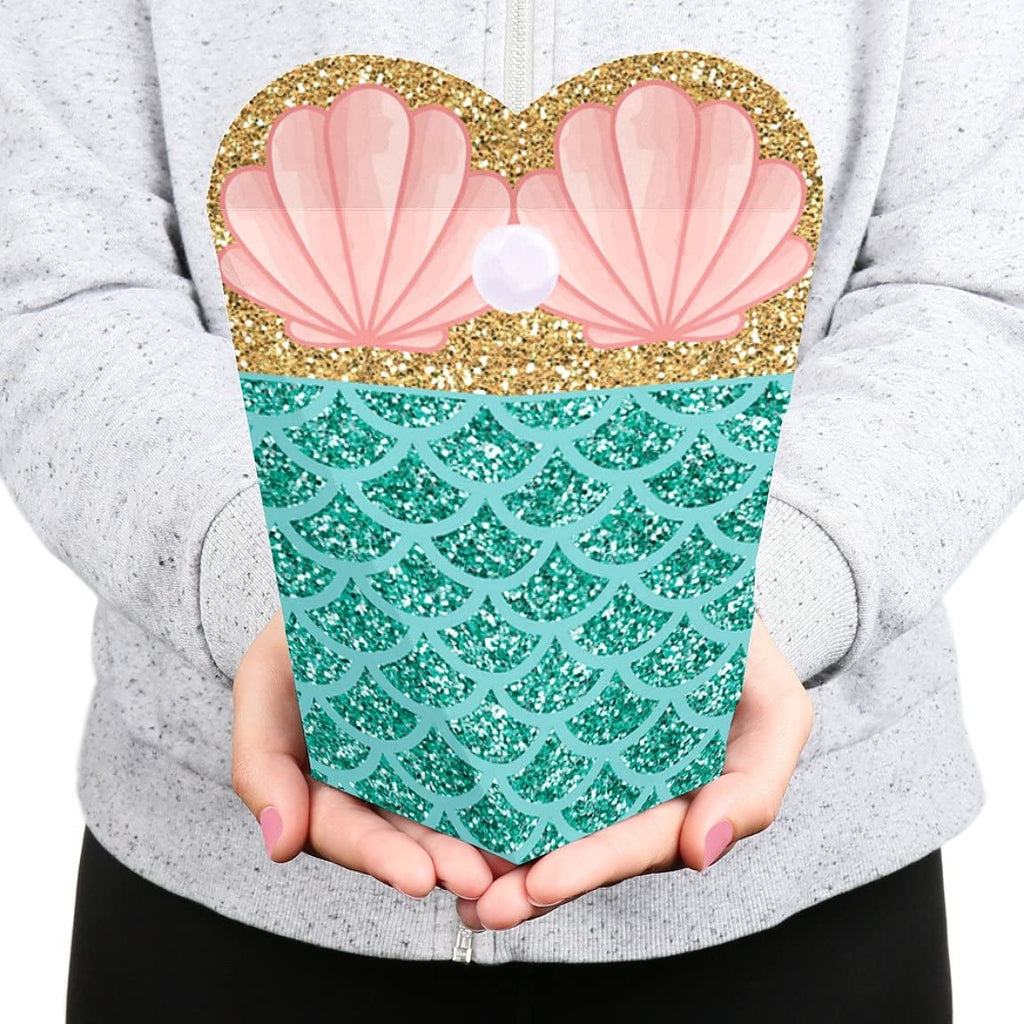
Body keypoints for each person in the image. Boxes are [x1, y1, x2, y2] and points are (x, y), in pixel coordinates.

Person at [0, 1, 1020, 1021]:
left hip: (804, 890)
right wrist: (307, 591)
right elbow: (59, 285)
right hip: (220, 895)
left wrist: (723, 606)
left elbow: (974, 288)